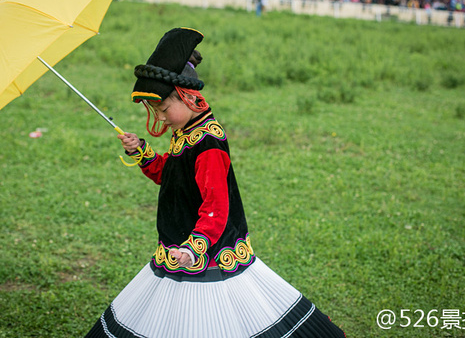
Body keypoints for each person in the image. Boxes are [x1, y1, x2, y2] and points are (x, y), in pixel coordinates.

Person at [84, 28, 346, 338]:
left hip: (205, 246)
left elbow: (216, 205)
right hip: (179, 240)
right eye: (156, 112)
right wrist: (141, 152)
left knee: (214, 307)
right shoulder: (186, 133)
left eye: (164, 109)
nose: (162, 118)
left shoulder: (208, 144)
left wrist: (196, 247)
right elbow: (171, 176)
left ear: (187, 96)